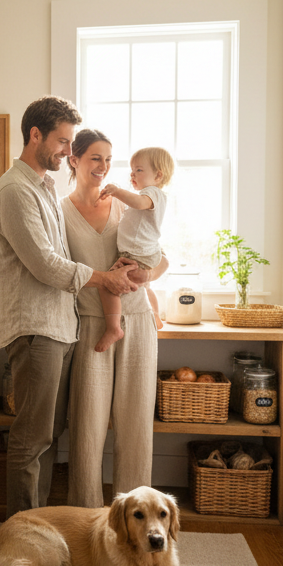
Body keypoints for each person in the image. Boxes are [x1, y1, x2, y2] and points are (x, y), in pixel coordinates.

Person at [0, 97, 147, 516]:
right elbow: (44, 264)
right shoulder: (15, 191)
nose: (66, 150)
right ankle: (22, 533)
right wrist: (104, 278)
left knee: (48, 435)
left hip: (60, 327)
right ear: (35, 135)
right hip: (36, 328)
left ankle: (37, 526)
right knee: (32, 437)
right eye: (62, 141)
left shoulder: (42, 187)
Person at [62, 129, 169, 504]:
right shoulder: (59, 212)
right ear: (74, 160)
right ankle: (86, 519)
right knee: (87, 430)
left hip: (137, 323)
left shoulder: (130, 204)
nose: (104, 167)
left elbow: (161, 256)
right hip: (92, 324)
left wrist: (147, 275)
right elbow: (57, 270)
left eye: (109, 159)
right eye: (95, 158)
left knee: (136, 426)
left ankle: (136, 519)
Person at [93, 146, 176, 351]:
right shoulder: (151, 194)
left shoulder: (152, 194)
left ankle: (113, 328)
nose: (132, 174)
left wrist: (117, 191)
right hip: (144, 252)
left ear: (158, 175)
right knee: (146, 288)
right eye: (131, 170)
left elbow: (139, 203)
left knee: (107, 284)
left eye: (138, 170)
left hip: (137, 254)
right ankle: (155, 315)